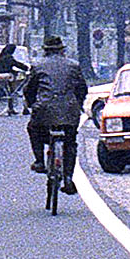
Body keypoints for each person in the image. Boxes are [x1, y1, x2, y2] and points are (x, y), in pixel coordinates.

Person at [22, 35, 88, 193]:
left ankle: (39, 161)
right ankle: (68, 178)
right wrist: (77, 104)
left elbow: (29, 90)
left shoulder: (38, 66)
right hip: (69, 112)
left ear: (45, 50)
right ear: (62, 50)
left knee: (33, 129)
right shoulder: (73, 65)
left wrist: (32, 105)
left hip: (44, 111)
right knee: (70, 143)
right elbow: (82, 89)